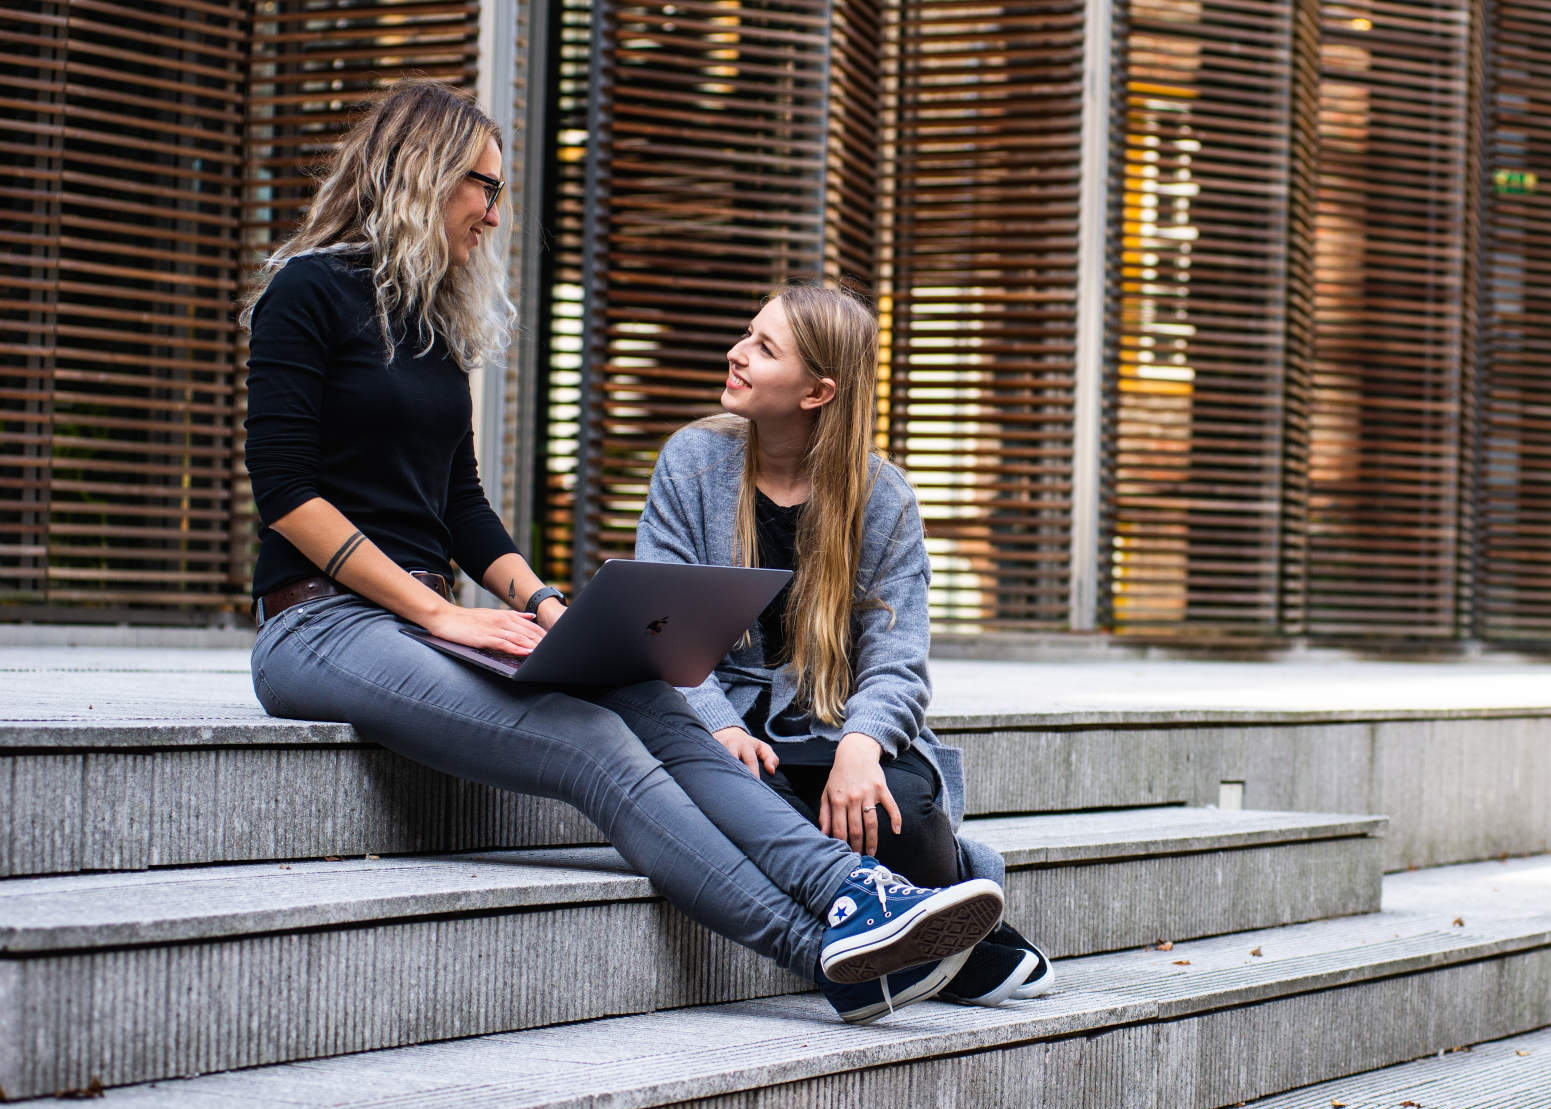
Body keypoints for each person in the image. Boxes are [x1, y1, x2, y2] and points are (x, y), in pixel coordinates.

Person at [239, 81, 1002, 1026]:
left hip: (428, 622)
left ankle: (854, 892)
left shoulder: (433, 326)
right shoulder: (306, 291)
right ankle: (824, 954)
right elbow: (285, 494)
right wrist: (438, 610)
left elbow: (465, 510)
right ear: (424, 172)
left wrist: (557, 613)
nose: (494, 209)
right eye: (485, 184)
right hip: (321, 625)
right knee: (593, 742)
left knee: (647, 693)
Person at [634, 283, 1052, 1006]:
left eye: (764, 348)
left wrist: (862, 745)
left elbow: (898, 656)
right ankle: (968, 947)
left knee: (904, 809)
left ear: (817, 391)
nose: (736, 353)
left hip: (832, 725)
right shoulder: (692, 461)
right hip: (726, 724)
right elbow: (659, 622)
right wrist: (719, 723)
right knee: (742, 798)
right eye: (747, 333)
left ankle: (931, 920)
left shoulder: (882, 495)